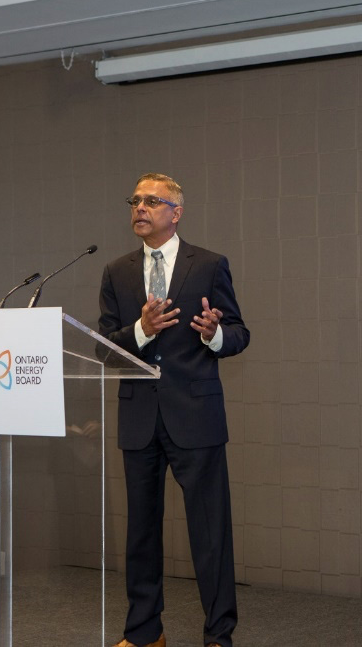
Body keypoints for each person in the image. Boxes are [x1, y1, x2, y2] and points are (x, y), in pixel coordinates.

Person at [98, 173, 249, 647]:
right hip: (139, 419)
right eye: (135, 201)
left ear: (175, 212)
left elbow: (240, 333)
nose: (139, 208)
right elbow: (104, 349)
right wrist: (141, 331)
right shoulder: (116, 272)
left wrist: (213, 334)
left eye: (151, 201)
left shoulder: (208, 265)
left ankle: (219, 636)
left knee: (210, 535)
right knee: (141, 534)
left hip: (195, 417)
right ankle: (145, 635)